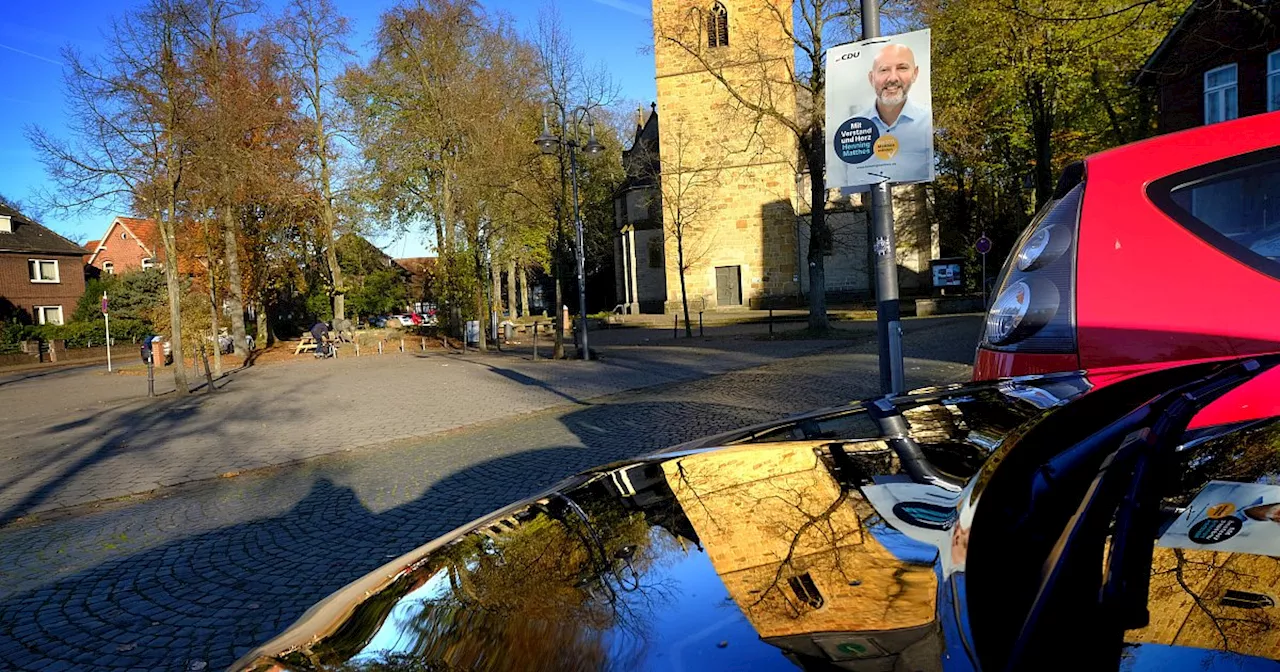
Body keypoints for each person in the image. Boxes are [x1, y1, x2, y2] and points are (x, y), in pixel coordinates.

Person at [840, 43, 933, 186]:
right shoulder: (850, 130)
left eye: (902, 68)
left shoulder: (927, 121)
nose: (892, 78)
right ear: (871, 78)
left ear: (915, 73)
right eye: (884, 70)